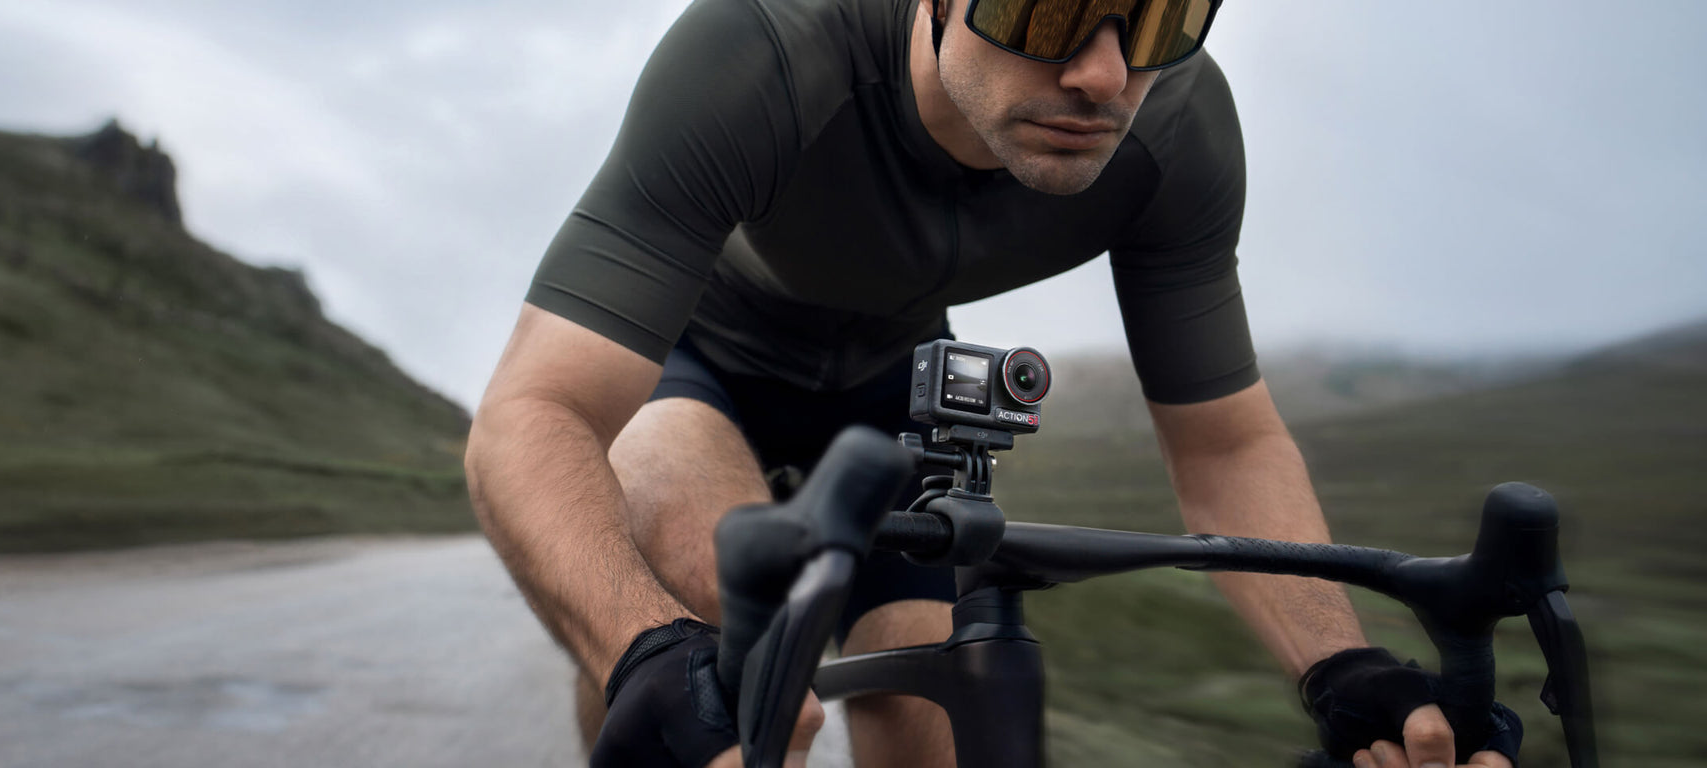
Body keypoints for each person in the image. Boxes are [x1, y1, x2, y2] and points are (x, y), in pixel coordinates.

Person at [465, 0, 1520, 766]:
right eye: (1052, 10)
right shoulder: (767, 47)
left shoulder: (1178, 125)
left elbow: (1226, 443)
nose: (1107, 76)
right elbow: (536, 408)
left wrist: (1342, 670)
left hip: (890, 389)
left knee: (940, 705)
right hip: (702, 362)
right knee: (708, 614)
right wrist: (639, 646)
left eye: (1157, 23)